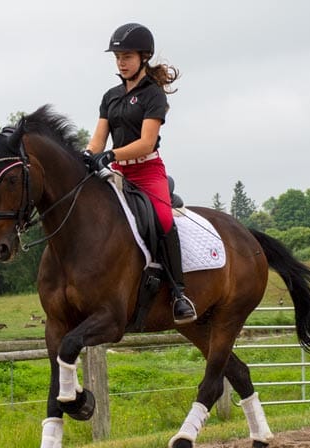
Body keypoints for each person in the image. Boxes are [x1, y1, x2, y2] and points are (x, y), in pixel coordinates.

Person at [83, 22, 197, 325]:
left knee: (162, 219)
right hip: (118, 172)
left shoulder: (153, 95)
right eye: (117, 57)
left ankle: (178, 293)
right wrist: (88, 154)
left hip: (147, 171)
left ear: (144, 57)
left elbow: (146, 142)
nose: (121, 62)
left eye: (127, 56)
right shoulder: (110, 96)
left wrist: (110, 154)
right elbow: (98, 140)